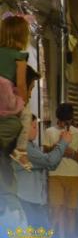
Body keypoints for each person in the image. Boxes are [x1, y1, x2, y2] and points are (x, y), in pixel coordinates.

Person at [14, 114, 71, 228]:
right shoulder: (23, 146)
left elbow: (51, 165)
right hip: (25, 199)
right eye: (34, 127)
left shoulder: (32, 145)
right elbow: (49, 161)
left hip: (34, 199)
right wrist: (63, 143)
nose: (37, 130)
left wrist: (59, 147)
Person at [44, 103, 78, 238]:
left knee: (71, 210)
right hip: (55, 174)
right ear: (58, 119)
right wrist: (59, 144)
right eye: (63, 121)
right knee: (57, 208)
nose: (65, 124)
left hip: (73, 175)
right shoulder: (50, 132)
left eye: (68, 121)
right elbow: (45, 153)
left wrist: (72, 153)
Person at [0, 14, 33, 169]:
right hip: (6, 97)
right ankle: (20, 150)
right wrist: (24, 100)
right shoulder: (20, 56)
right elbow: (21, 83)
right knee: (26, 114)